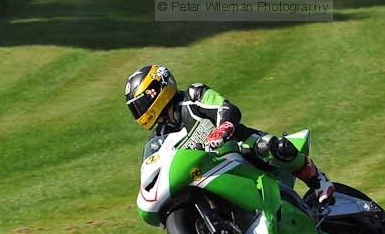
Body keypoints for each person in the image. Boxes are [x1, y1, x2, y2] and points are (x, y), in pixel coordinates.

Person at [125, 64, 335, 204]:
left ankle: (317, 180)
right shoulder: (159, 135)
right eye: (136, 108)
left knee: (270, 146)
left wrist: (222, 129)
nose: (140, 111)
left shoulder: (193, 96)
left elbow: (227, 108)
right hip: (206, 173)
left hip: (237, 147)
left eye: (141, 104)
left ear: (157, 90)